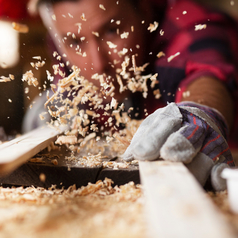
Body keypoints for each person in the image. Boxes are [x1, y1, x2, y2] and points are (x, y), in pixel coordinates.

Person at [24, 0, 238, 190]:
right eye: (75, 42)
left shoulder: (190, 22)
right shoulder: (65, 31)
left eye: (112, 31)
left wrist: (201, 112)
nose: (98, 65)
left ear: (143, 8)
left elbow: (207, 74)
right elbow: (64, 85)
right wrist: (54, 111)